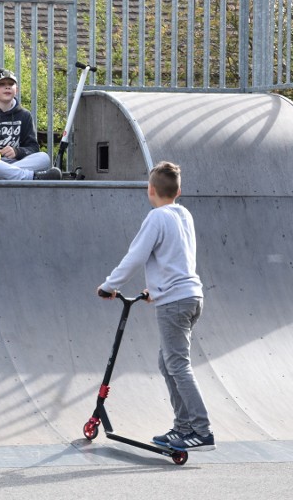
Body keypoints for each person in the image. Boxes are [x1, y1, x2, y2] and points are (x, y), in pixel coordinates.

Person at [96, 161, 214, 452]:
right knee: (168, 362)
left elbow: (136, 256)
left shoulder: (156, 217)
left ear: (150, 190)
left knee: (177, 364)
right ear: (179, 191)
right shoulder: (183, 214)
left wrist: (110, 286)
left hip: (175, 302)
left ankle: (201, 430)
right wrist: (155, 290)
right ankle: (183, 427)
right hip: (191, 295)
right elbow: (176, 257)